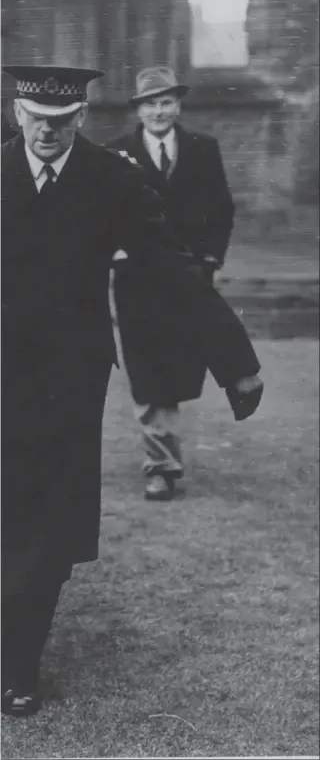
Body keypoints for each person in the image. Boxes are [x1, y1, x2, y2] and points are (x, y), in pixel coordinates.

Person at [1, 63, 262, 718]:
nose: (47, 133)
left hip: (68, 384)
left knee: (49, 529)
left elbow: (173, 269)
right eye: (36, 118)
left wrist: (235, 361)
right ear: (15, 112)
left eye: (61, 122)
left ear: (81, 118)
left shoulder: (112, 180)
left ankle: (18, 665)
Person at [109, 66, 243, 501]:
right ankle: (160, 466)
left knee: (182, 365)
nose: (159, 111)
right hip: (138, 281)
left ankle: (238, 383)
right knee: (148, 370)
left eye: (166, 101)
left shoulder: (203, 149)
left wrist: (208, 258)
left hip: (189, 278)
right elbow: (100, 213)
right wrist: (116, 251)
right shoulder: (116, 154)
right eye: (150, 102)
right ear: (138, 109)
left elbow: (221, 209)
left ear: (178, 105)